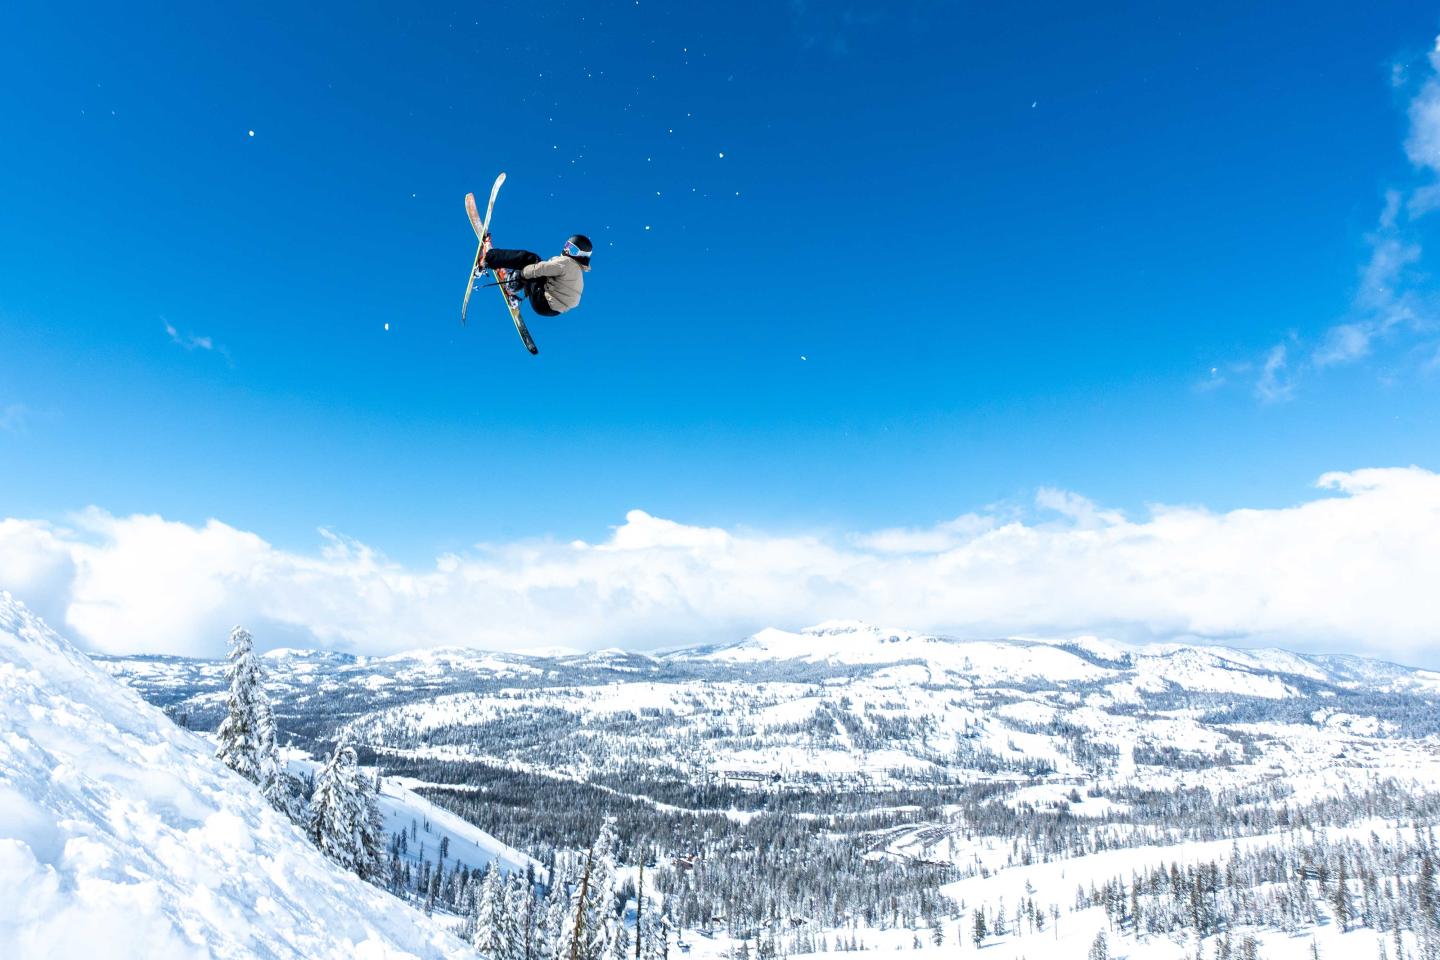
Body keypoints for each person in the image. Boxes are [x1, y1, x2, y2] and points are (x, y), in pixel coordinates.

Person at [482, 235, 592, 316]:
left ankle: (489, 257)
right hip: (552, 310)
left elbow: (542, 268)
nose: (567, 250)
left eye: (572, 250)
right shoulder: (578, 274)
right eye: (567, 245)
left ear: (581, 255)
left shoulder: (567, 262)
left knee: (531, 260)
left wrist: (521, 274)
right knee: (537, 274)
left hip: (543, 301)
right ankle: (514, 296)